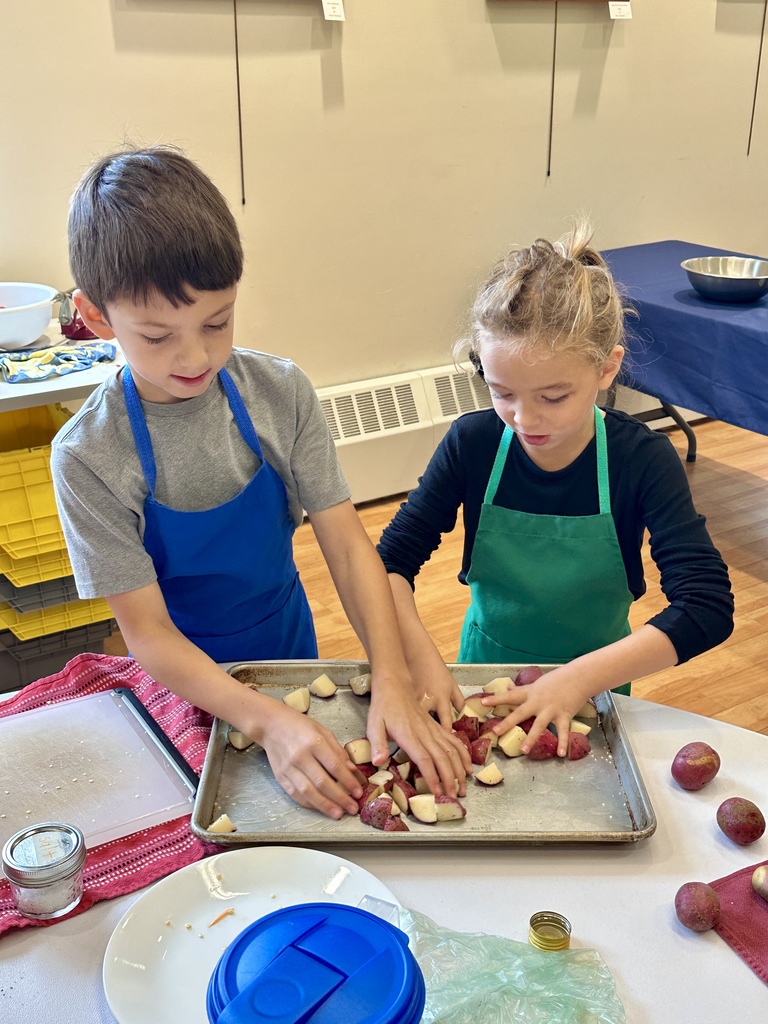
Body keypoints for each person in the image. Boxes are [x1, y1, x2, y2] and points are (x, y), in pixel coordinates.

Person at [51, 145, 470, 819]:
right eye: (157, 337)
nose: (196, 356)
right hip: (184, 684)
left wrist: (388, 675)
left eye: (217, 323)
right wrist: (267, 723)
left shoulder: (280, 393)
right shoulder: (89, 456)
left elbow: (344, 545)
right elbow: (149, 635)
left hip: (289, 654)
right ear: (97, 318)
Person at [377, 223, 734, 756]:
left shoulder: (642, 460)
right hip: (484, 675)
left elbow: (707, 604)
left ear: (606, 369)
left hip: (596, 685)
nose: (524, 418)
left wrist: (578, 679)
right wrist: (424, 659)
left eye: (553, 395)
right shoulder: (473, 443)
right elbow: (388, 564)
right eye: (503, 393)